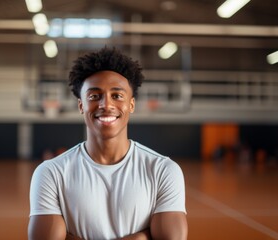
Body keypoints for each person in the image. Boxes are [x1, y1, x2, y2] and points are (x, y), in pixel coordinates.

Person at [28, 47, 188, 240]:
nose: (106, 105)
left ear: (131, 104)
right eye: (94, 96)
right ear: (81, 105)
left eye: (117, 95)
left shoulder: (163, 170)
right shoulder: (51, 173)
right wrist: (143, 237)